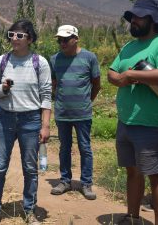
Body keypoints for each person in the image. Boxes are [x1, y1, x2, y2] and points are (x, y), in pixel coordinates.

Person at [107, 0, 158, 225]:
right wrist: (120, 78)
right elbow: (112, 72)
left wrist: (132, 75)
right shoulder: (129, 47)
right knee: (132, 172)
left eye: (139, 17)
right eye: (133, 17)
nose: (133, 21)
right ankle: (133, 217)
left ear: (152, 20)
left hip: (151, 124)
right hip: (126, 120)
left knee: (156, 175)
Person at [0, 19, 51, 225]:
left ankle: (29, 210)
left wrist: (45, 125)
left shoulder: (39, 62)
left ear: (30, 39)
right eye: (11, 34)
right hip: (3, 118)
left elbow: (46, 94)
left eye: (20, 35)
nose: (14, 38)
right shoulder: (2, 61)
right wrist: (3, 89)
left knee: (30, 168)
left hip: (30, 120)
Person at [49, 25, 101, 200]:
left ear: (76, 38)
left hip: (83, 114)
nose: (62, 43)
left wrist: (86, 102)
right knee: (64, 147)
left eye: (65, 39)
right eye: (59, 40)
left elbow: (96, 84)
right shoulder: (54, 59)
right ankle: (65, 180)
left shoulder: (89, 57)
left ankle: (86, 183)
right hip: (62, 113)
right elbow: (54, 84)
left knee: (85, 148)